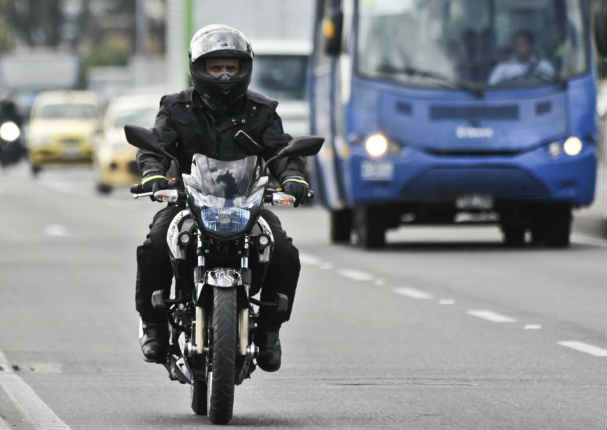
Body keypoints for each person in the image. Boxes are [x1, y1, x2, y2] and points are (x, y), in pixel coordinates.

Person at [135, 24, 310, 372]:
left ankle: (270, 331)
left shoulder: (262, 110)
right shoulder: (175, 107)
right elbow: (155, 145)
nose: (225, 75)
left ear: (245, 68)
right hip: (189, 202)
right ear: (199, 68)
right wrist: (153, 174)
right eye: (216, 67)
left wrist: (292, 177)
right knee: (155, 244)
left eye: (232, 66)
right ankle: (154, 325)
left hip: (246, 202)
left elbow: (282, 151)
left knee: (285, 252)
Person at [488, 30, 555, 85]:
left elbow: (553, 84)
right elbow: (492, 86)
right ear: (515, 47)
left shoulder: (543, 65)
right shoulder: (503, 67)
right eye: (518, 44)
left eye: (525, 43)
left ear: (531, 45)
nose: (522, 48)